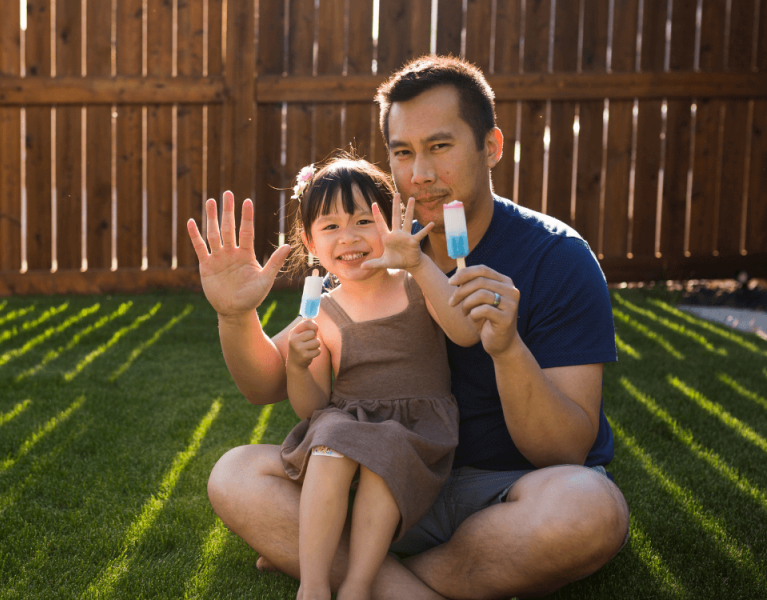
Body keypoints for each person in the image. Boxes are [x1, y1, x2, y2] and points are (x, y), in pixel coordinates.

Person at [186, 54, 630, 599]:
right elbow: (265, 383)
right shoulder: (375, 249)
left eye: (439, 147)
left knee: (591, 511)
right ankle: (390, 578)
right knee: (235, 476)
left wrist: (508, 347)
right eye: (403, 153)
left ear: (490, 146)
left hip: (503, 491)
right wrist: (235, 315)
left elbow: (564, 448)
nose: (420, 174)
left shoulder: (557, 258)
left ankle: (345, 572)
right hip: (380, 474)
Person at [277, 156, 478, 600]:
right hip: (349, 421)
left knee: (383, 451)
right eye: (329, 227)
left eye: (363, 221)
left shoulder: (416, 283)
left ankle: (357, 586)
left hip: (416, 428)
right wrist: (296, 365)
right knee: (328, 436)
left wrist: (422, 266)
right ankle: (311, 586)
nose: (348, 238)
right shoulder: (323, 314)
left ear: (391, 224)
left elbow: (465, 332)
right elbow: (312, 408)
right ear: (309, 242)